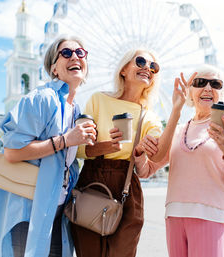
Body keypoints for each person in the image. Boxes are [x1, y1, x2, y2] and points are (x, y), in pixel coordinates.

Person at [0, 35, 97, 257]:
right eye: (66, 53)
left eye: (80, 53)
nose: (75, 56)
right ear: (53, 69)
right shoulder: (41, 99)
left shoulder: (76, 110)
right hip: (28, 209)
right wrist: (66, 140)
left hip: (57, 210)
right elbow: (12, 151)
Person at [135, 64, 224, 257]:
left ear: (222, 93)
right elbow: (146, 171)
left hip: (211, 216)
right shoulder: (178, 130)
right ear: (189, 91)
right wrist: (139, 152)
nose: (207, 88)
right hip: (174, 215)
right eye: (200, 82)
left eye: (215, 83)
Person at [71, 48, 163, 257]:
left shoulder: (150, 116)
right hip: (91, 182)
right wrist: (107, 146)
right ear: (123, 69)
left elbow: (158, 152)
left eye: (153, 67)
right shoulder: (98, 100)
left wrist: (175, 112)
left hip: (128, 187)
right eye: (140, 62)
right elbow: (77, 150)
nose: (147, 68)